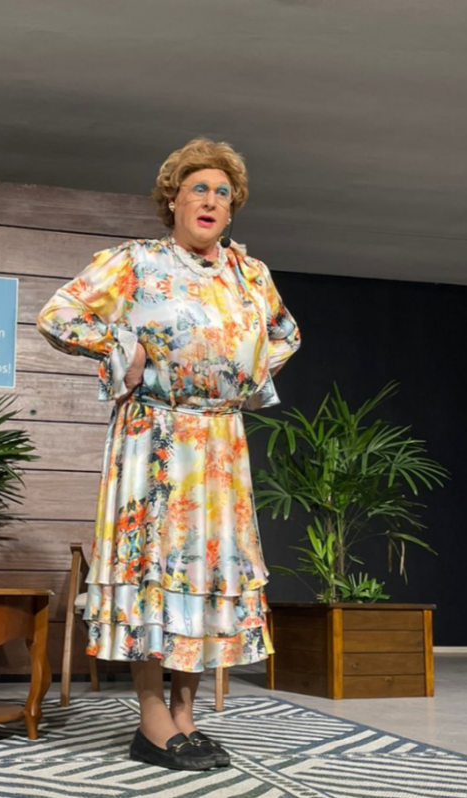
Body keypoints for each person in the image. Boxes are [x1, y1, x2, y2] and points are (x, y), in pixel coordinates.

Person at [37, 138, 300, 771]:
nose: (211, 200)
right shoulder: (136, 262)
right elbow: (59, 315)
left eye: (223, 193)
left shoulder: (250, 273)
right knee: (155, 570)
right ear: (173, 200)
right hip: (154, 435)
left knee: (203, 575)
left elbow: (286, 334)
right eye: (198, 188)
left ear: (231, 209)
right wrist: (124, 351)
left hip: (219, 442)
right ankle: (151, 717)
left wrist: (242, 374)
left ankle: (186, 715)